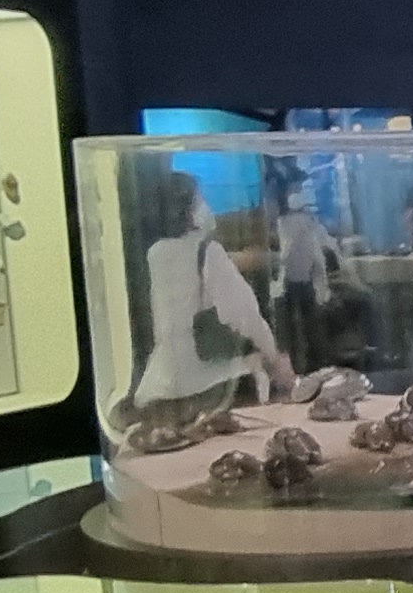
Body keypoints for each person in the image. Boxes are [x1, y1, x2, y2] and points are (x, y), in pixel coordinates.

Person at [118, 168, 287, 447]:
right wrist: (275, 358)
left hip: (159, 387)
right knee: (256, 367)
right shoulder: (209, 252)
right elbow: (245, 315)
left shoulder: (156, 253)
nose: (206, 207)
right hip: (208, 388)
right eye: (201, 200)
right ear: (188, 209)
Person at [269, 184, 342, 372]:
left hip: (302, 285)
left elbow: (322, 255)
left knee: (308, 330)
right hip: (293, 286)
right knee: (302, 331)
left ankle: (312, 365)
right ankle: (306, 366)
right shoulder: (290, 224)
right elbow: (290, 256)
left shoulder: (304, 223)